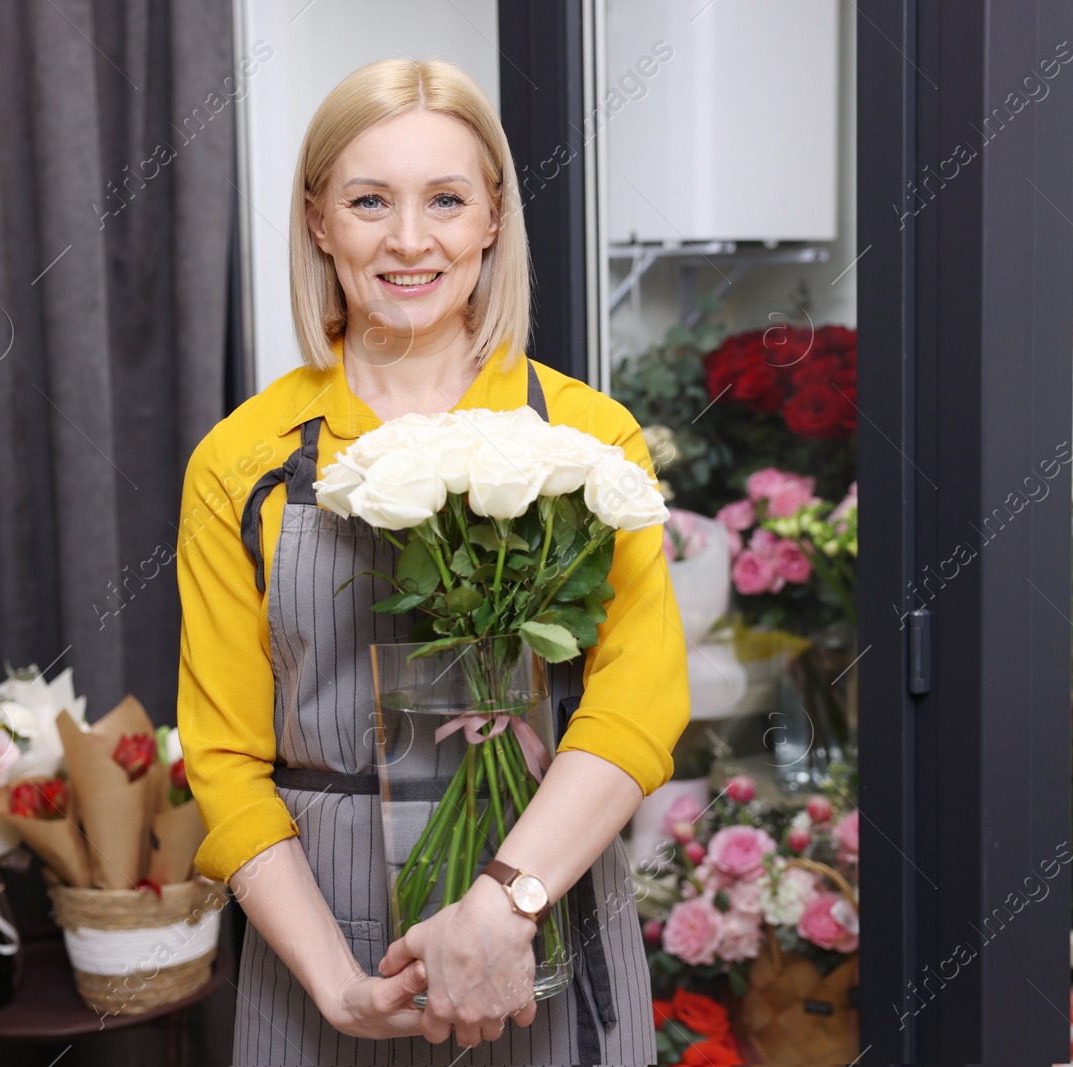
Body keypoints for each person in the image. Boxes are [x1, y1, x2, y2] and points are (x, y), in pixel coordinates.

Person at [176, 57, 691, 1065]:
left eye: (445, 199)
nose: (409, 239)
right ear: (319, 218)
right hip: (318, 934)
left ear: (493, 217)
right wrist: (334, 982)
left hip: (541, 922)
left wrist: (505, 901)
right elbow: (225, 762)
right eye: (370, 200)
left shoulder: (586, 436)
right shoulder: (243, 460)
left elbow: (635, 706)